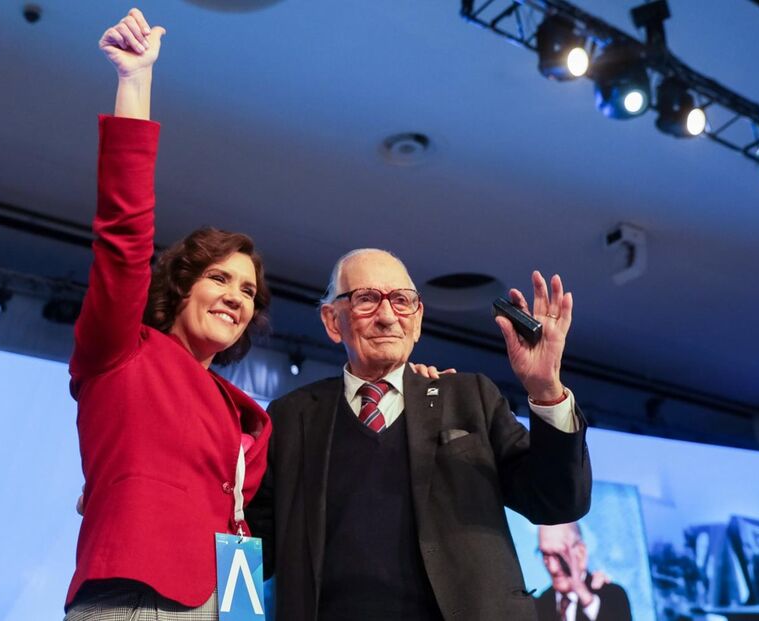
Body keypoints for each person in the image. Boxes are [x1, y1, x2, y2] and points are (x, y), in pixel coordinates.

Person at [246, 248, 592, 620]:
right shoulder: (290, 417)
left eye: (401, 301)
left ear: (418, 320)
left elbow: (557, 500)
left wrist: (546, 390)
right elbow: (251, 545)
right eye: (366, 299)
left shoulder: (469, 398)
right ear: (332, 321)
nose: (387, 316)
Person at [64, 9, 273, 619]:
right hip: (136, 596)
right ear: (180, 287)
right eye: (219, 278)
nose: (236, 297)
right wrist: (135, 81)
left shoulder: (237, 410)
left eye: (248, 291)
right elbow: (123, 233)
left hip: (223, 604)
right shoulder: (122, 349)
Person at [535, 523, 632, 621]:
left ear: (581, 552)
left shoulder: (612, 596)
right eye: (545, 555)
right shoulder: (542, 603)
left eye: (559, 556)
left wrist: (587, 600)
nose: (553, 568)